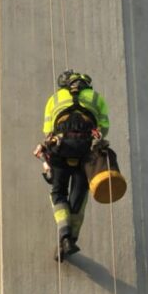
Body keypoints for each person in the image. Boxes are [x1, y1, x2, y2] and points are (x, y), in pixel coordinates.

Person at [33, 69, 110, 261]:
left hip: (60, 148)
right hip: (85, 150)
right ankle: (71, 240)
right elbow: (104, 128)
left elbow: (48, 130)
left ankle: (64, 234)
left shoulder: (56, 98)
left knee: (58, 192)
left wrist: (46, 148)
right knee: (80, 194)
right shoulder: (96, 97)